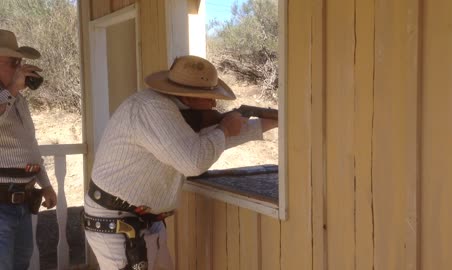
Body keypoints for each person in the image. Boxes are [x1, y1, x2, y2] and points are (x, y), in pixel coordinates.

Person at [83, 55, 278, 269]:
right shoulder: (153, 108)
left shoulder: (176, 111)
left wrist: (270, 122)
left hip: (145, 221)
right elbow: (193, 161)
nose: (214, 103)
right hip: (118, 223)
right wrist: (224, 129)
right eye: (209, 97)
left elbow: (213, 138)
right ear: (189, 96)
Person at [0, 29, 57, 269]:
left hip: (23, 202)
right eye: (14, 61)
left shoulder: (18, 99)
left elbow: (31, 147)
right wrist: (12, 88)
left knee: (21, 263)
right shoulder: (11, 95)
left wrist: (45, 184)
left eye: (20, 61)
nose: (19, 66)